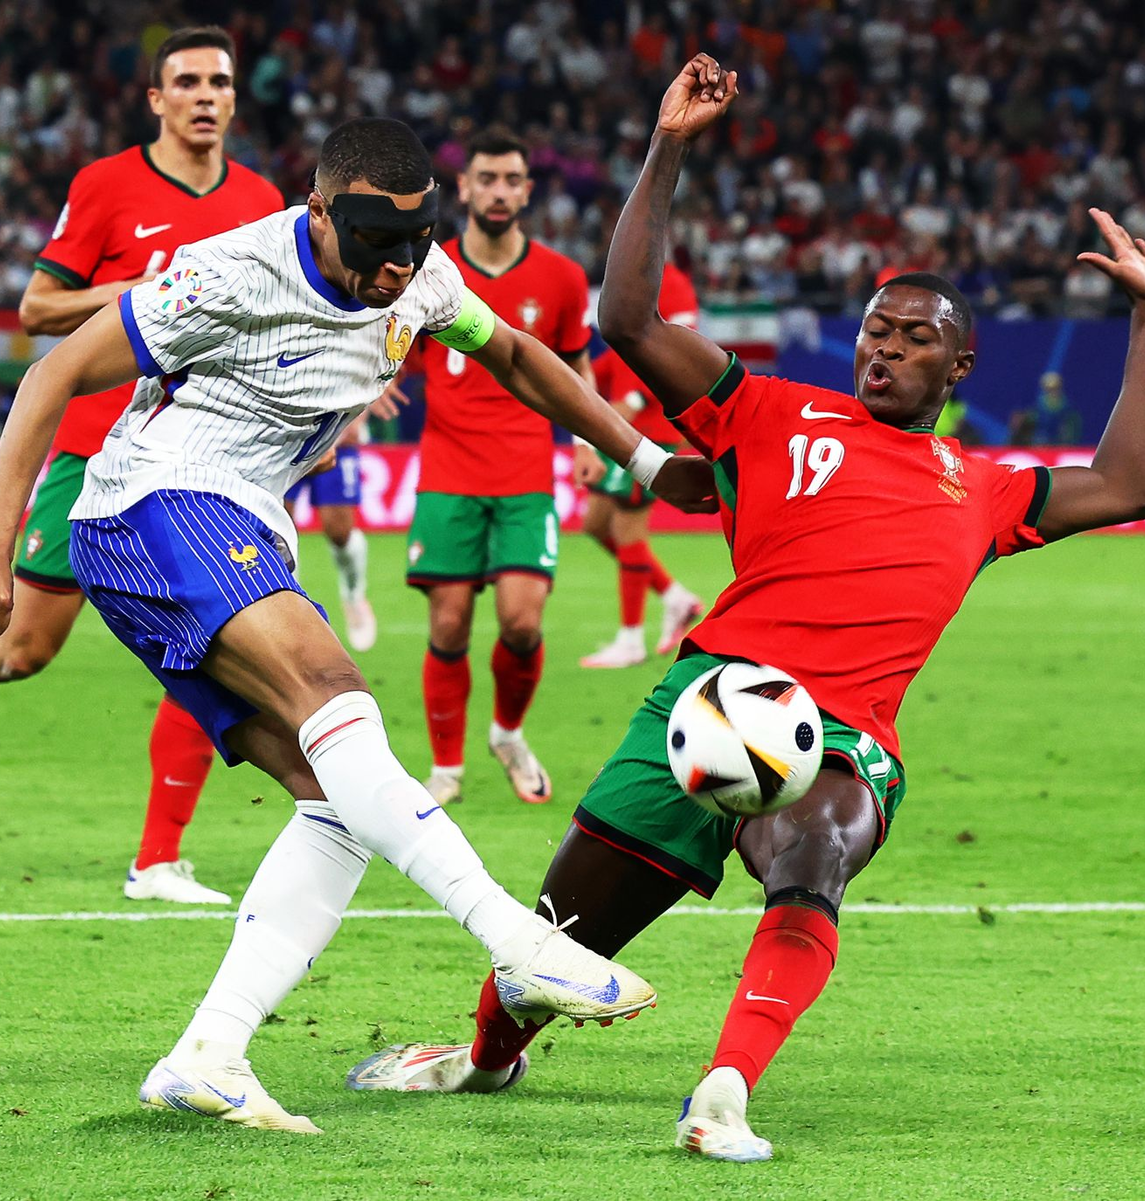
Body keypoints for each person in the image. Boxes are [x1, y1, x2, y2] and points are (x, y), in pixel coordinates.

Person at [342, 56, 1145, 1164]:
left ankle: (723, 1090)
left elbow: (1124, 481)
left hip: (841, 730)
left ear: (960, 362)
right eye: (876, 327)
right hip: (706, 705)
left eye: (914, 336)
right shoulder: (771, 413)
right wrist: (668, 148)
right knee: (557, 937)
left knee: (812, 848)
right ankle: (484, 1056)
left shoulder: (988, 484)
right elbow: (626, 316)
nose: (884, 345)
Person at [0, 116, 718, 1134]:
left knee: (338, 797)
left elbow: (523, 356)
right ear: (319, 213)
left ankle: (209, 1052)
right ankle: (512, 938)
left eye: (414, 245)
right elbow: (51, 373)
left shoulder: (421, 274)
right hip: (154, 501)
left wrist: (646, 460)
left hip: (241, 524)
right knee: (337, 695)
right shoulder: (226, 272)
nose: (396, 270)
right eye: (372, 247)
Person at [0, 26, 284, 905]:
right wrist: (150, 287)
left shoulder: (264, 201)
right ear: (157, 100)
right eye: (188, 82)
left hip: (206, 464)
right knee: (20, 653)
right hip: (94, 450)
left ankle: (158, 860)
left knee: (212, 642)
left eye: (220, 82)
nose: (207, 95)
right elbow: (36, 307)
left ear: (235, 99)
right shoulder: (107, 186)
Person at [408, 127, 593, 808]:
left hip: (523, 475)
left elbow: (575, 362)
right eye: (486, 178)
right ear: (463, 187)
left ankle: (508, 733)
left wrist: (586, 441)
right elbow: (394, 349)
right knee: (448, 625)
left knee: (522, 621)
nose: (498, 191)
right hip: (448, 472)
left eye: (511, 179)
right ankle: (446, 768)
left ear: (527, 190)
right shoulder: (426, 268)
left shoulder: (562, 278)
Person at [576, 262, 704, 669]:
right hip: (628, 413)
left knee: (628, 527)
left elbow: (672, 354)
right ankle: (675, 597)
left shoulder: (672, 284)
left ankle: (630, 639)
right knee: (596, 524)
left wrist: (619, 409)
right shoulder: (631, 274)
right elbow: (616, 355)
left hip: (652, 426)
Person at [284, 423, 377, 652]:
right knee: (280, 530)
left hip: (334, 432)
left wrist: (357, 419)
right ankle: (291, 609)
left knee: (339, 533)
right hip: (285, 439)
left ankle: (354, 594)